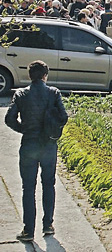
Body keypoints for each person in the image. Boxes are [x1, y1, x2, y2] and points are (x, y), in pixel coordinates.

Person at [5, 60, 69, 243]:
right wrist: (52, 130)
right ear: (45, 75)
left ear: (29, 76)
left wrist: (23, 129)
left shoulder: (21, 94)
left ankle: (28, 229)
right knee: (48, 185)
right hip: (48, 144)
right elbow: (63, 117)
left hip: (29, 144)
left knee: (28, 188)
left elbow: (9, 119)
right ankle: (48, 225)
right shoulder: (53, 93)